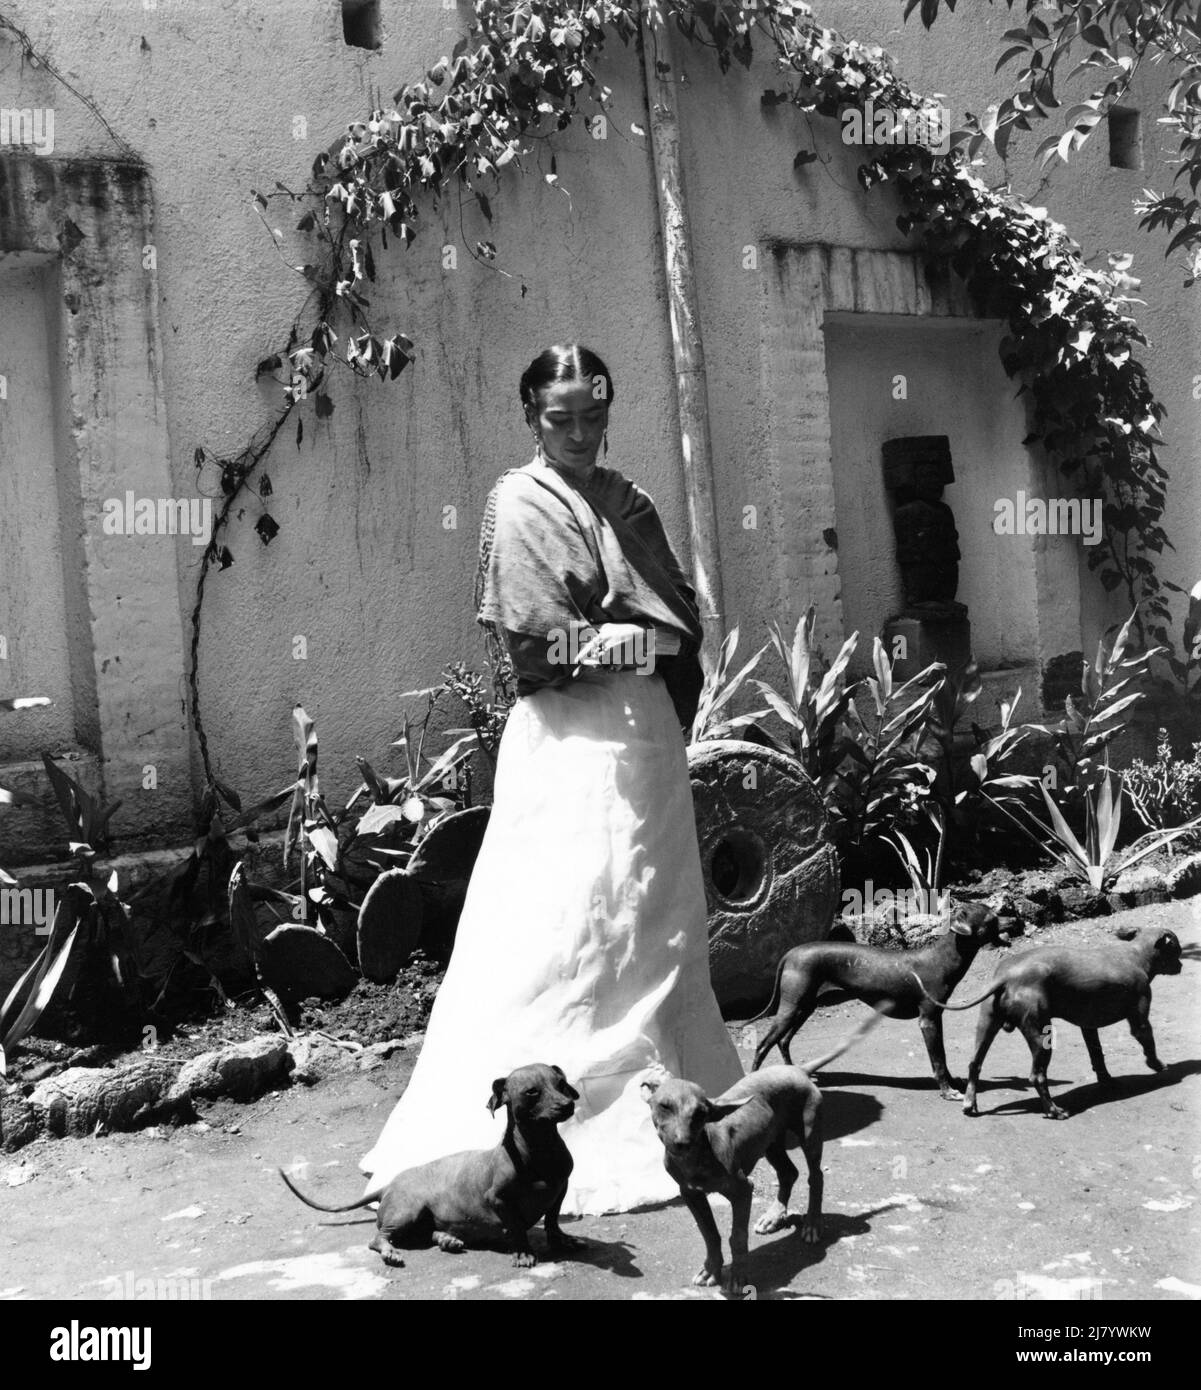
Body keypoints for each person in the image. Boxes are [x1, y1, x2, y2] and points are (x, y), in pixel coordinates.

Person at [360, 344, 743, 1215]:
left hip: (642, 740)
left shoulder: (629, 500)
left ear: (609, 411)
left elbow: (680, 627)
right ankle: (546, 1116)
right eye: (557, 418)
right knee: (562, 921)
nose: (577, 433)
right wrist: (601, 643)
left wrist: (634, 641)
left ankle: (672, 1094)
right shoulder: (517, 500)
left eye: (591, 415)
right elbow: (533, 648)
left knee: (648, 912)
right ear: (530, 417)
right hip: (566, 742)